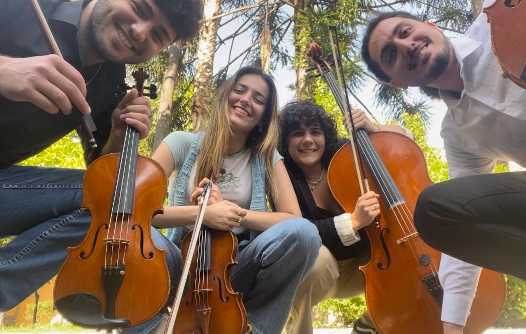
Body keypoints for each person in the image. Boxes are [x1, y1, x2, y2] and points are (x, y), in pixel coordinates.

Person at [361, 0, 526, 333]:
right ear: (396, 82)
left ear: (430, 26)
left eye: (405, 32)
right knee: (435, 211)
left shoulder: (497, 19)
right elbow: (464, 241)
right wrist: (453, 326)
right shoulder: (458, 135)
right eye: (391, 54)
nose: (406, 46)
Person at [0, 0, 201, 331]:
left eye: (157, 34)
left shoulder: (109, 83)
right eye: (139, 7)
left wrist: (118, 136)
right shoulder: (26, 7)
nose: (139, 31)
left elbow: (101, 175)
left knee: (113, 200)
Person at [151, 67, 321, 334]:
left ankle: (253, 328)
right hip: (179, 264)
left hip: (235, 266)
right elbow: (137, 210)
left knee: (304, 234)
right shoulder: (180, 142)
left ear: (264, 116)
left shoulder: (265, 156)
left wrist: (234, 215)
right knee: (134, 234)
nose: (246, 100)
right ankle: (152, 327)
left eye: (258, 99)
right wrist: (200, 215)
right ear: (226, 95)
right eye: (240, 90)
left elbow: (292, 218)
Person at [279, 101, 410, 334]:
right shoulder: (281, 175)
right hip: (319, 273)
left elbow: (403, 144)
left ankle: (370, 324)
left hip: (369, 267)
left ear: (325, 137)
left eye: (315, 132)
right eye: (298, 134)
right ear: (286, 142)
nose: (308, 139)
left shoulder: (343, 156)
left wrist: (373, 127)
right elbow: (296, 229)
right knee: (314, 258)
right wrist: (354, 221)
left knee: (411, 247)